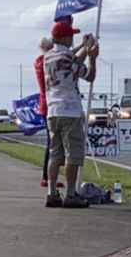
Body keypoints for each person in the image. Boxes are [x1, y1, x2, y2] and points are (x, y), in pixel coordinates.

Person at [43, 20, 99, 208]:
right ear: (66, 38)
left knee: (54, 154)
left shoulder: (48, 57)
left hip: (52, 111)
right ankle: (71, 194)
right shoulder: (67, 57)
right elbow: (88, 75)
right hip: (70, 110)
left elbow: (70, 64)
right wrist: (92, 57)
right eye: (71, 36)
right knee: (72, 154)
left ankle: (52, 193)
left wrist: (83, 47)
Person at [33, 36, 55, 187]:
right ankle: (47, 177)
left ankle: (49, 177)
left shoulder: (40, 61)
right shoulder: (44, 62)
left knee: (53, 142)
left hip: (45, 105)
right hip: (48, 105)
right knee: (52, 142)